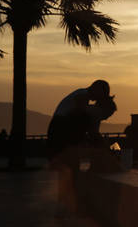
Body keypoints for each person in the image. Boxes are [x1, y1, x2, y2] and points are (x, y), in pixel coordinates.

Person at [47, 80, 118, 212]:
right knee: (71, 168)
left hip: (62, 131)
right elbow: (91, 130)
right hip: (61, 131)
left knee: (70, 169)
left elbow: (88, 129)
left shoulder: (86, 104)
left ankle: (66, 203)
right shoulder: (83, 97)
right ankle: (70, 204)